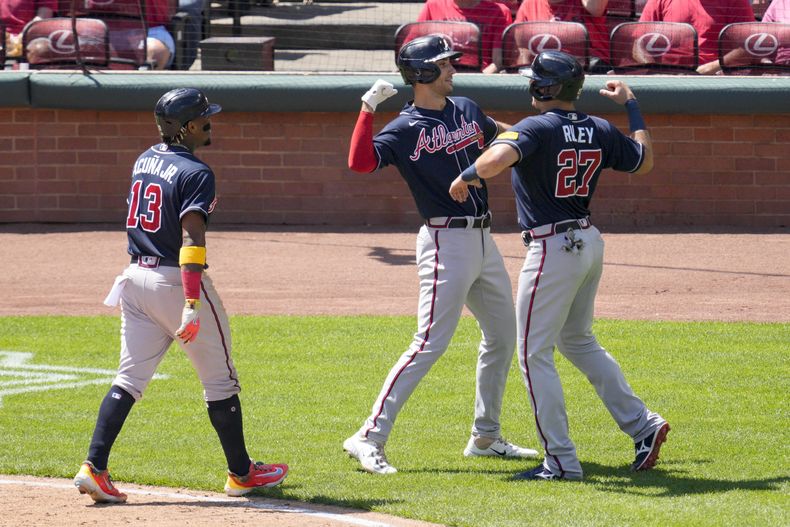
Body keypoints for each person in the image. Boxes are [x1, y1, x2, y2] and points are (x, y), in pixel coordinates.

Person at [448, 50, 669, 480]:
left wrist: (468, 174)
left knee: (534, 354)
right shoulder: (599, 127)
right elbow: (644, 162)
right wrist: (632, 105)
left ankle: (561, 461)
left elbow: (495, 161)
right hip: (587, 242)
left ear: (542, 88)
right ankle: (643, 424)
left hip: (552, 249)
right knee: (578, 340)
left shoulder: (537, 127)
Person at [73, 88, 288, 503]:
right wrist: (191, 302)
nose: (211, 123)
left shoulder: (145, 157)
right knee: (220, 380)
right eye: (206, 119)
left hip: (134, 279)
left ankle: (94, 467)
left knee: (129, 378)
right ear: (188, 127)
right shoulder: (196, 172)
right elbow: (192, 239)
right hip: (175, 283)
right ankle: (241, 474)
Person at [344, 34, 539, 475]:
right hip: (444, 243)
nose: (453, 69)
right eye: (445, 63)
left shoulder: (466, 108)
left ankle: (486, 436)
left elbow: (503, 136)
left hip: (484, 241)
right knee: (428, 343)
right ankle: (368, 436)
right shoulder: (403, 128)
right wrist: (367, 109)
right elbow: (360, 163)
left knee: (503, 337)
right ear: (423, 73)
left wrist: (535, 136)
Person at [638, 0, 755, 75]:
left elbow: (748, 46)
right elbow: (638, 42)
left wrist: (709, 69)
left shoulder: (736, 2)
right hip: (667, 78)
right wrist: (654, 68)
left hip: (714, 81)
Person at [515, 0, 612, 73]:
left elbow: (596, 8)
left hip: (589, 70)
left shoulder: (587, 4)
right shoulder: (529, 4)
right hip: (544, 71)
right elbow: (522, 49)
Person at [417, 0, 513, 73]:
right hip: (437, 76)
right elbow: (415, 48)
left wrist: (478, 81)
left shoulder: (499, 12)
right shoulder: (433, 6)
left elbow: (498, 61)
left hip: (478, 76)